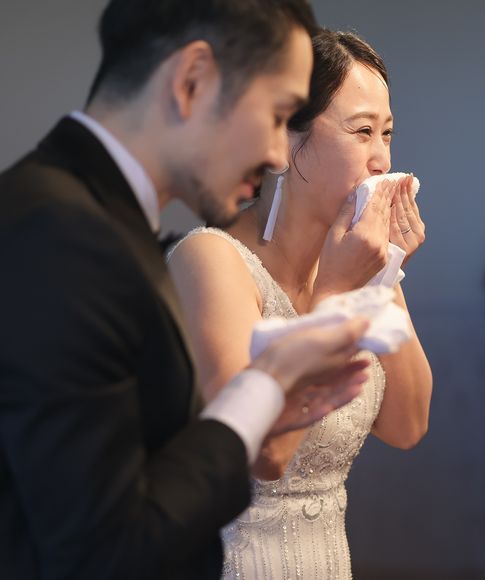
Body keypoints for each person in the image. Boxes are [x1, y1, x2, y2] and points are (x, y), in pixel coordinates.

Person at [0, 4, 377, 579]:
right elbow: (104, 547)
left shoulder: (82, 215)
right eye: (277, 114)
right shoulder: (61, 233)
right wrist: (265, 386)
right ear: (192, 81)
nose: (279, 154)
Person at [168, 29, 433, 578]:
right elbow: (265, 456)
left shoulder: (364, 266)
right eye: (362, 131)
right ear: (285, 140)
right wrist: (335, 293)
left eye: (387, 133)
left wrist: (383, 275)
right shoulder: (210, 259)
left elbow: (407, 425)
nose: (382, 159)